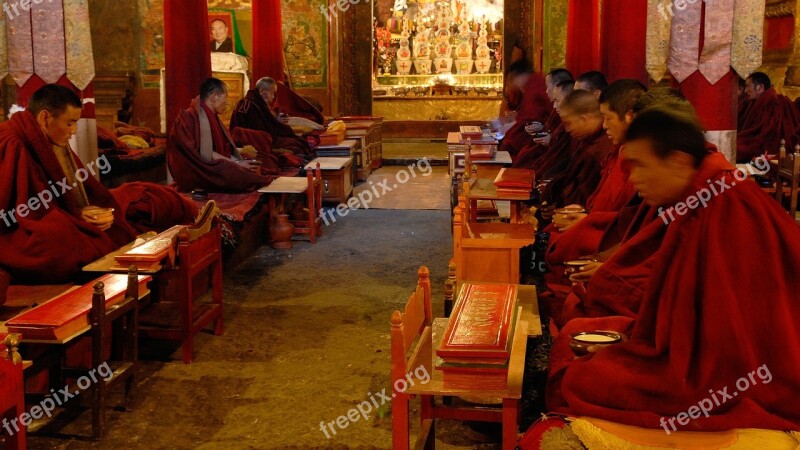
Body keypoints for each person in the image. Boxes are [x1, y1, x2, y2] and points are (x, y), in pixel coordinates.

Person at [547, 105, 800, 433]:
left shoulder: (725, 204)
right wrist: (633, 340)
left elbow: (728, 344)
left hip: (740, 373)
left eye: (640, 166)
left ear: (678, 161)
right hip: (701, 355)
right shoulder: (697, 196)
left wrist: (639, 353)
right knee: (578, 336)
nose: (634, 180)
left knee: (583, 380)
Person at [0, 84, 196, 284]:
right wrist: (76, 216)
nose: (74, 131)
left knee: (138, 200)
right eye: (70, 123)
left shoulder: (45, 137)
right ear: (44, 118)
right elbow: (17, 212)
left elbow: (70, 191)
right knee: (59, 238)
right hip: (13, 231)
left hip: (55, 216)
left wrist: (84, 211)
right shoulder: (11, 142)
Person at [167, 78, 275, 192]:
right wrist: (237, 164)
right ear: (214, 96)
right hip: (198, 170)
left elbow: (225, 148)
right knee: (241, 174)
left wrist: (238, 161)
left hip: (213, 165)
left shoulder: (213, 117)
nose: (227, 102)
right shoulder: (188, 118)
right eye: (225, 97)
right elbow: (204, 154)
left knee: (261, 163)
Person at [541, 89, 612, 208]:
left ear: (584, 119)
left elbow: (588, 198)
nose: (567, 130)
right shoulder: (585, 141)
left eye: (568, 123)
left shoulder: (600, 149)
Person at [230, 77, 315, 157]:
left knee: (297, 141)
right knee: (296, 143)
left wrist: (276, 120)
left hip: (245, 139)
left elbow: (266, 123)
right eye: (273, 93)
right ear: (262, 91)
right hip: (256, 141)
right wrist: (278, 124)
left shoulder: (249, 102)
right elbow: (263, 130)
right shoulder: (254, 105)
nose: (273, 97)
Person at [737, 71, 799, 162]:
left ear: (760, 88)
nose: (745, 91)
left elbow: (763, 136)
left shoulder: (773, 103)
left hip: (767, 150)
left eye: (747, 86)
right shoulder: (751, 103)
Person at [498, 60, 552, 159]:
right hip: (540, 131)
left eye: (514, 79)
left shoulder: (535, 86)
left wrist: (512, 126)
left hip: (540, 136)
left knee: (511, 144)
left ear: (520, 75)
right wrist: (516, 117)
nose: (516, 84)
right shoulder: (534, 83)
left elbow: (530, 119)